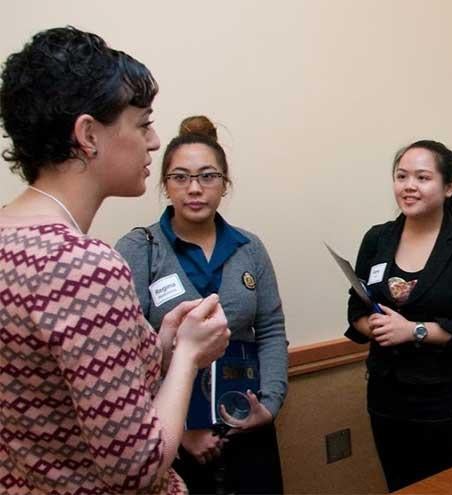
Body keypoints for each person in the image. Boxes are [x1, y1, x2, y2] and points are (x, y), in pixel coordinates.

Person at [0, 27, 230, 494]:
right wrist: (188, 355)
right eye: (143, 123)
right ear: (88, 134)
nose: (154, 141)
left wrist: (160, 346)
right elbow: (137, 468)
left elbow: (57, 394)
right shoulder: (81, 266)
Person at [116, 116, 288, 495]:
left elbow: (272, 329)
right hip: (172, 434)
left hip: (248, 423)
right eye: (180, 177)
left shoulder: (249, 248)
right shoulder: (140, 249)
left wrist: (269, 405)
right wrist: (179, 432)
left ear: (225, 184)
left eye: (208, 176)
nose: (194, 188)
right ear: (165, 185)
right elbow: (126, 353)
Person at [345, 140, 452, 491]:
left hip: (442, 399)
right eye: (402, 176)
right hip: (385, 394)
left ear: (449, 186)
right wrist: (376, 326)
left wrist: (414, 330)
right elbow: (355, 308)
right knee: (399, 486)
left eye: (422, 177)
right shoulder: (378, 239)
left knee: (444, 487)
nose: (409, 186)